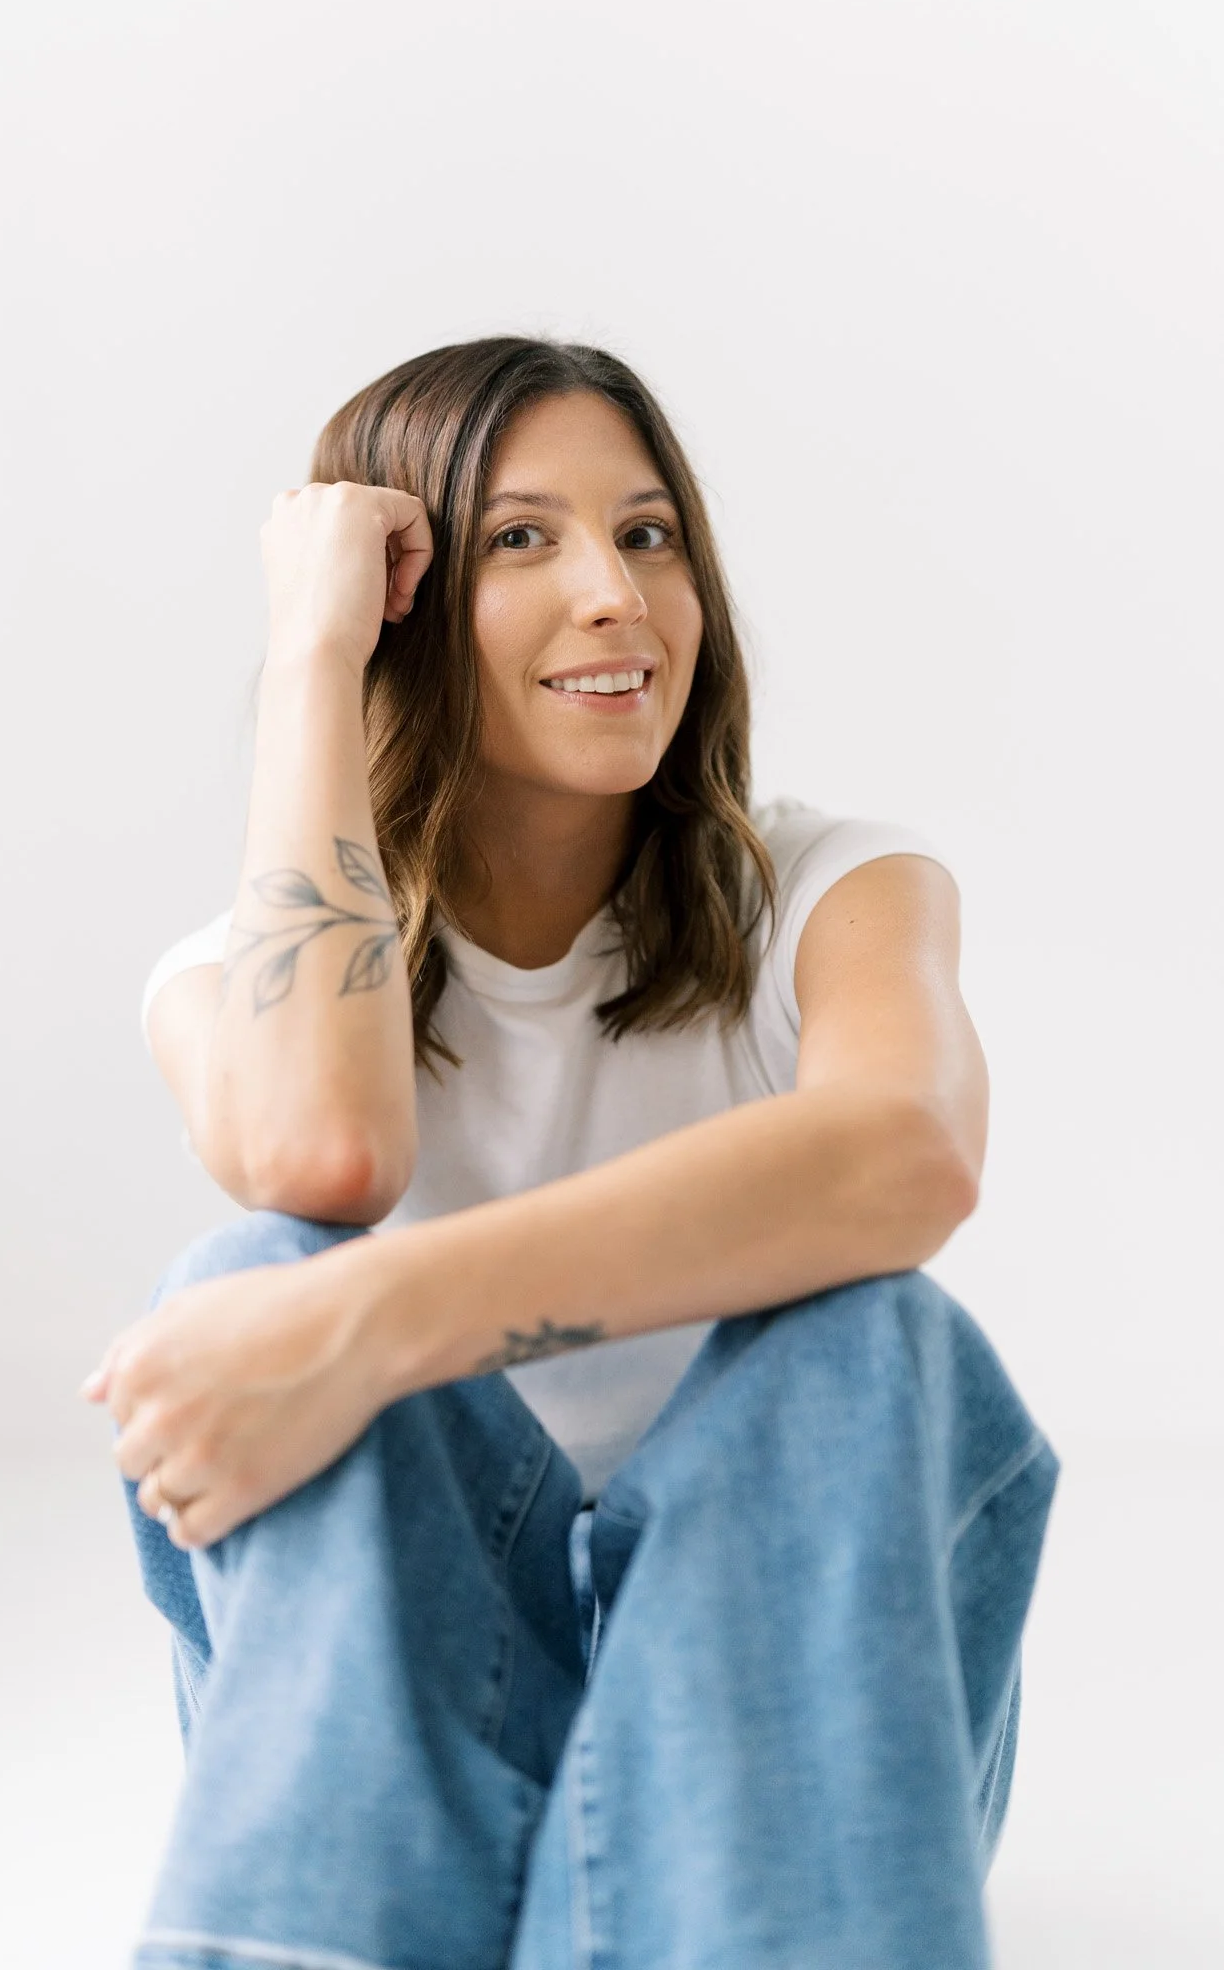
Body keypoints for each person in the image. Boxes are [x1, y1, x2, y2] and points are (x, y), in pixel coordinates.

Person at [83, 336, 1058, 1970]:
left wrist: (374, 1323)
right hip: (409, 1753)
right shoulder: (232, 980)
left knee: (873, 1337)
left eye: (649, 533)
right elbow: (321, 1156)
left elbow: (907, 1154)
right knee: (255, 1267)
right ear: (400, 606)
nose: (616, 595)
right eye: (522, 539)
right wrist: (313, 654)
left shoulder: (837, 889)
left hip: (788, 1742)